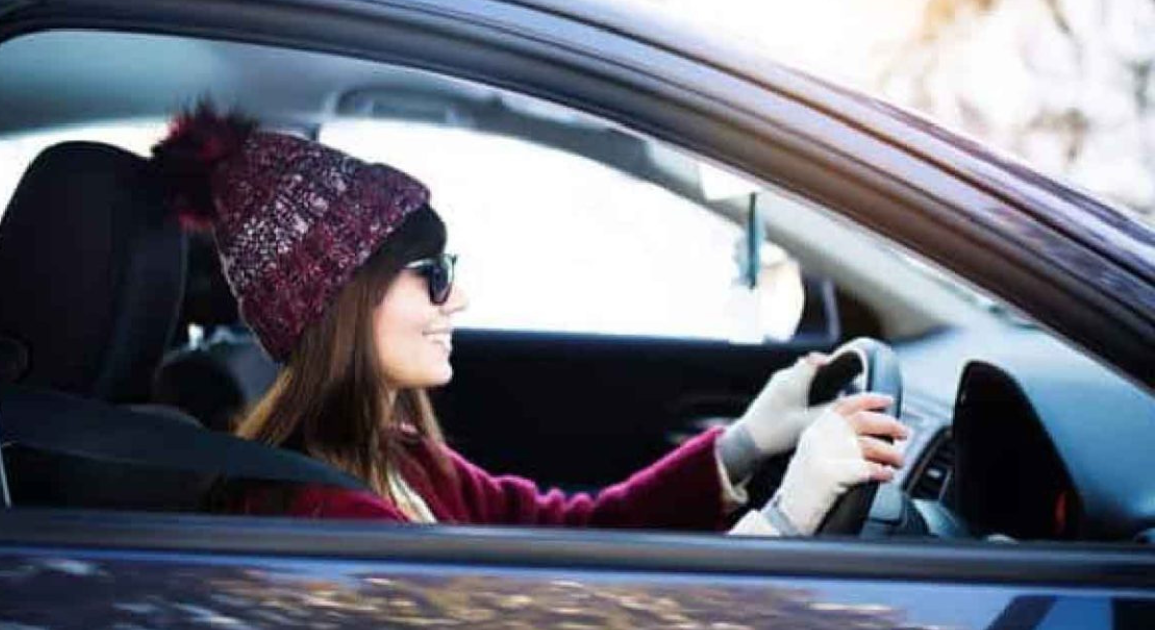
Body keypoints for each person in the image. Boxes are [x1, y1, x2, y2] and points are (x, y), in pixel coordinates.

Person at [151, 104, 909, 535]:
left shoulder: (391, 455)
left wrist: (744, 444)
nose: (461, 300)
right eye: (433, 277)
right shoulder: (330, 519)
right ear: (343, 301)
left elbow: (571, 534)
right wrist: (785, 519)